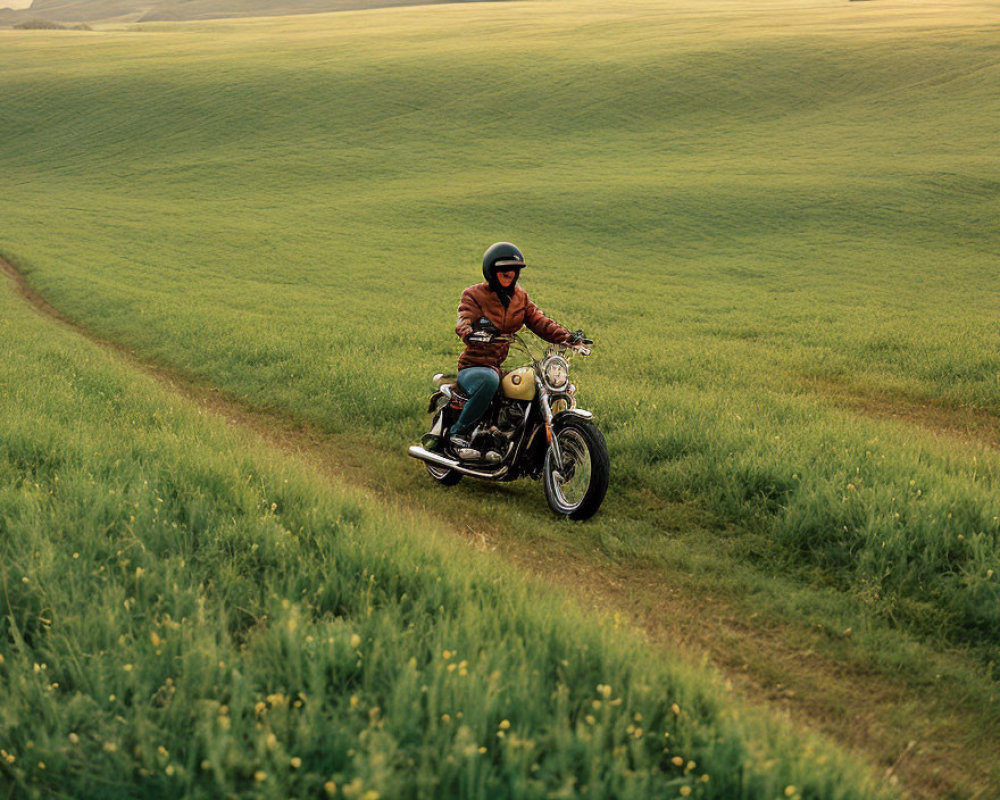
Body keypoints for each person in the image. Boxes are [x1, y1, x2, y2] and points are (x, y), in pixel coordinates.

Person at [450, 242, 573, 459]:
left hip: (499, 366)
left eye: (513, 271)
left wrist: (568, 337)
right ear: (492, 271)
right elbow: (464, 317)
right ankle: (459, 432)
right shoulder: (474, 295)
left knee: (533, 384)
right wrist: (470, 330)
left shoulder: (520, 298)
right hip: (474, 366)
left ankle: (512, 440)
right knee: (489, 380)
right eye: (503, 271)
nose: (509, 275)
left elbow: (540, 321)